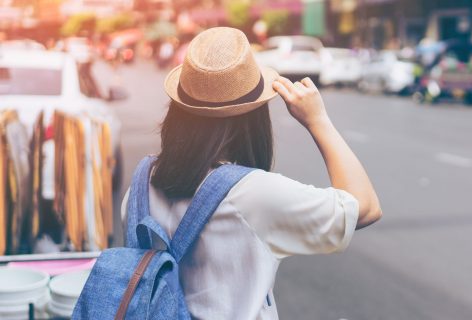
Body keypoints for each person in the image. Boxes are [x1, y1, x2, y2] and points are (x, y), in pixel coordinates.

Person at [121, 27, 382, 319]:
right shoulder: (253, 195)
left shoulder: (140, 186)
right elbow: (366, 207)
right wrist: (318, 121)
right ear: (253, 118)